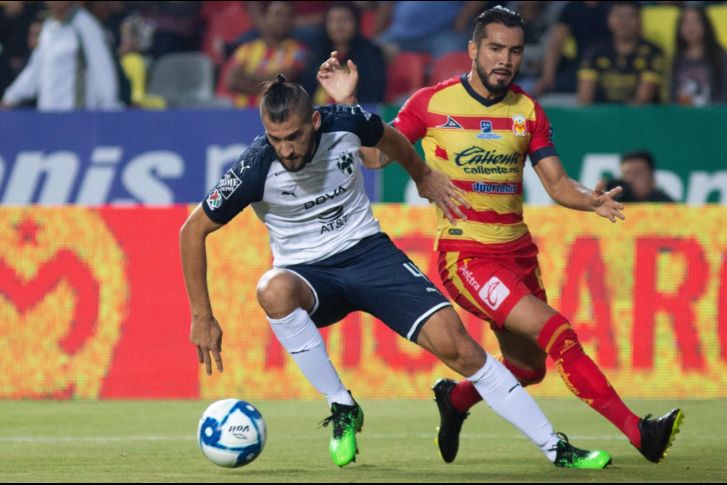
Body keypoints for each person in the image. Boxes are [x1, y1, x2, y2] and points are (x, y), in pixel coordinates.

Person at [180, 75, 612, 470]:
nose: (287, 150)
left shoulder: (346, 123)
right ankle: (342, 405)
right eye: (276, 140)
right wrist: (202, 316)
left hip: (370, 255)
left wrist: (421, 174)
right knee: (271, 290)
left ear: (314, 120)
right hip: (308, 274)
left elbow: (389, 137)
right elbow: (192, 230)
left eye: (294, 136)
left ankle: (555, 447)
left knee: (458, 347)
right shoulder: (255, 168)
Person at [317, 5, 683, 465]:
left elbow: (556, 184)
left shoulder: (527, 110)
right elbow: (373, 159)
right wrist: (347, 105)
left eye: (514, 51)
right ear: (473, 50)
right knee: (558, 331)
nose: (504, 60)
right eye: (494, 48)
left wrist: (587, 200)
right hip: (467, 258)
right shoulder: (430, 103)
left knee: (529, 370)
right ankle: (639, 433)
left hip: (518, 253)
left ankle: (455, 401)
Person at [1, 1, 122, 111]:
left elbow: (102, 69)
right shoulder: (48, 27)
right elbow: (35, 70)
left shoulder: (86, 26)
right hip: (48, 115)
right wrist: (10, 98)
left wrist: (109, 107)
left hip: (76, 115)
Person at [577, 1, 664, 105]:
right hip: (601, 117)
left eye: (630, 16)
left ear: (640, 20)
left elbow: (642, 99)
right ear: (609, 19)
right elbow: (585, 98)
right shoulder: (594, 51)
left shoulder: (653, 52)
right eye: (619, 16)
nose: (624, 22)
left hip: (638, 118)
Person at [225, 1, 307, 108]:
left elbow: (282, 79)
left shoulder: (298, 50)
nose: (282, 20)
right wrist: (268, 83)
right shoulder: (246, 49)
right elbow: (232, 81)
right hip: (242, 115)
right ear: (265, 18)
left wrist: (249, 77)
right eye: (278, 14)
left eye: (288, 16)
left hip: (276, 117)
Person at [301, 3, 386, 105]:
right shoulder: (317, 53)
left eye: (345, 20)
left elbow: (373, 95)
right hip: (317, 115)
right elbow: (306, 93)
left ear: (356, 23)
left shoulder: (371, 53)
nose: (339, 25)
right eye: (333, 20)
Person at [534, 1, 611, 96]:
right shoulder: (572, 8)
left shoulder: (614, 5)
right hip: (578, 67)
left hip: (612, 68)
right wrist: (548, 76)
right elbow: (556, 43)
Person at [669, 6, 727, 106]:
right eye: (685, 22)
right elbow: (672, 95)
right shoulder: (677, 58)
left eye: (695, 21)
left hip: (713, 117)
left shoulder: (720, 56)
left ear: (705, 25)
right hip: (683, 118)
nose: (690, 27)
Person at [608, 150, 675, 203]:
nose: (630, 179)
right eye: (626, 173)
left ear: (652, 178)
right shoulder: (615, 204)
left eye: (637, 173)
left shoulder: (667, 206)